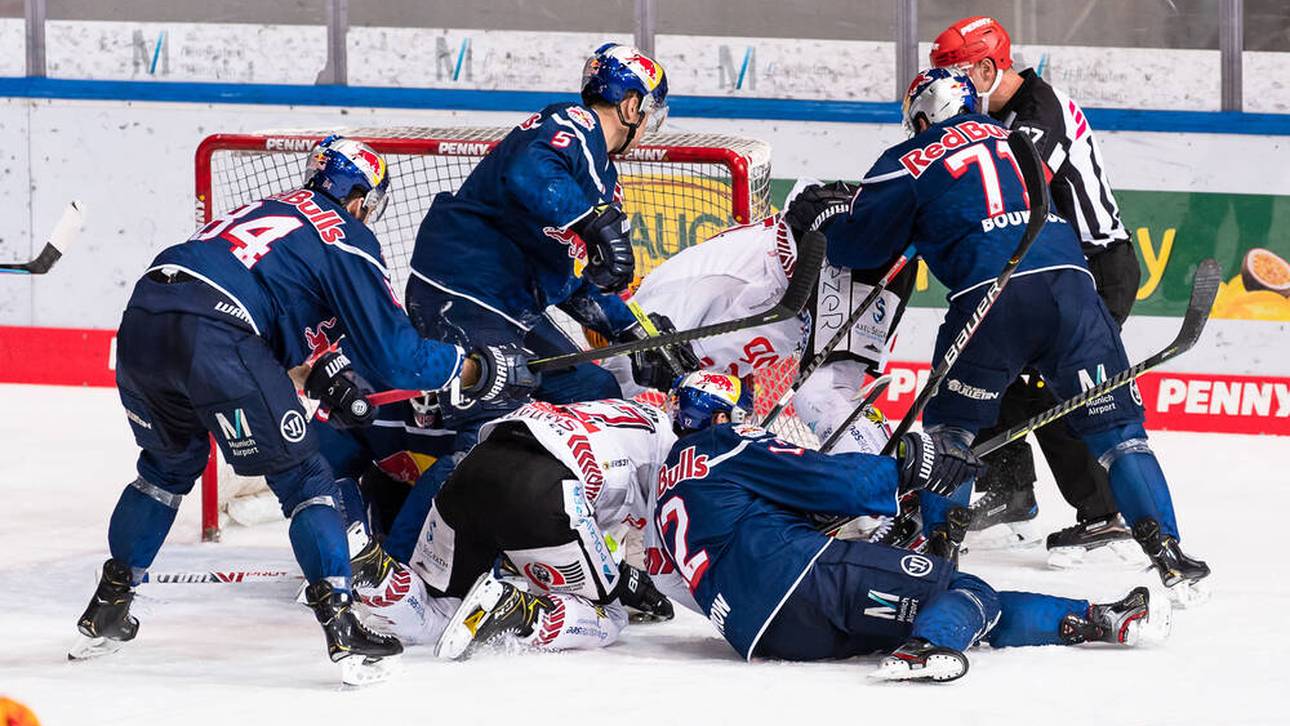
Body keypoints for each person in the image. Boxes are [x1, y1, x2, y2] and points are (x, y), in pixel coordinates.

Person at [72, 137, 535, 682]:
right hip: (217, 334)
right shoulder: (343, 234)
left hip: (143, 321)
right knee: (306, 478)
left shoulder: (264, 211)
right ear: (360, 197)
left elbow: (258, 313)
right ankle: (343, 626)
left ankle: (109, 605)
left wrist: (316, 375)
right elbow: (399, 359)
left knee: (165, 470)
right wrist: (474, 367)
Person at [797, 68, 1209, 603]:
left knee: (951, 434)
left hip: (992, 297)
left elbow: (861, 249)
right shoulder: (1019, 139)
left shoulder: (909, 157)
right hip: (1074, 288)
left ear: (921, 116)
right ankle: (1170, 553)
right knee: (1121, 436)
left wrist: (832, 221)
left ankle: (938, 554)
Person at [643, 372, 1170, 682]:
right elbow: (830, 480)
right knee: (963, 588)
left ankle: (1101, 619)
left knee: (948, 606)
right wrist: (907, 467)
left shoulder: (668, 484)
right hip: (801, 580)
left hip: (758, 631)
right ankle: (922, 652)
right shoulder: (725, 444)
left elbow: (670, 575)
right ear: (721, 417)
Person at [386, 43, 686, 560]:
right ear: (631, 105)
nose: (649, 125)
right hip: (462, 296)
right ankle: (394, 567)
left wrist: (635, 330)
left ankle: (536, 539)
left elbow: (574, 279)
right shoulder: (571, 124)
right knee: (484, 436)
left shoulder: (601, 181)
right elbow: (530, 171)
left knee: (592, 393)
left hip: (513, 312)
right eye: (650, 110)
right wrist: (596, 223)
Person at [930, 16, 1143, 564]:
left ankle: (1106, 517)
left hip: (1092, 267)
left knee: (1060, 389)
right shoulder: (989, 116)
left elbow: (1014, 190)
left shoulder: (1040, 111)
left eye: (955, 74)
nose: (946, 88)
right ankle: (1012, 495)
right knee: (991, 369)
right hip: (1043, 272)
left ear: (986, 68)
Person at [340, 398, 677, 657]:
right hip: (542, 489)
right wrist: (629, 583)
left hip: (469, 473)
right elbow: (658, 549)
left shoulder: (609, 413)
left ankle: (378, 572)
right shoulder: (669, 446)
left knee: (439, 614)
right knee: (608, 615)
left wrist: (622, 575)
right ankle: (522, 612)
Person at [601, 179, 915, 452]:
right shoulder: (671, 343)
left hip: (821, 251)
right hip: (823, 265)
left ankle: (879, 494)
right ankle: (890, 477)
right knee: (832, 395)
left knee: (822, 394)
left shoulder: (671, 301)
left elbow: (615, 390)